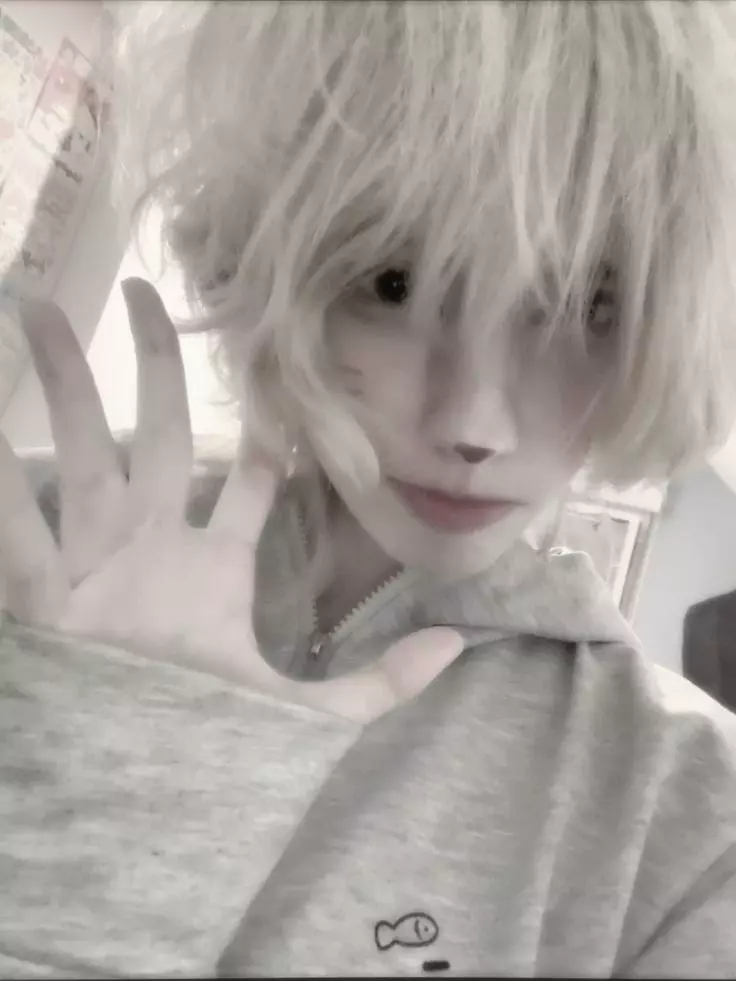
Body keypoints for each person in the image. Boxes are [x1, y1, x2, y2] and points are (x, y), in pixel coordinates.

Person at [1, 1, 736, 976]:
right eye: (395, 282)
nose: (475, 424)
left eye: (583, 305)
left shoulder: (690, 821)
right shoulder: (32, 550)